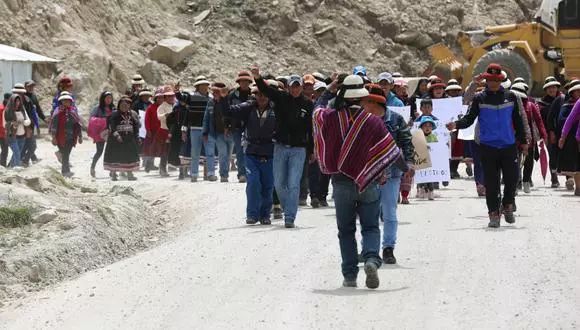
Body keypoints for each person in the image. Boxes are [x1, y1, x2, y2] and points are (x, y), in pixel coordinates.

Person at [313, 74, 404, 289]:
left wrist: (329, 91)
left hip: (341, 181)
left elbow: (316, 112)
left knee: (345, 230)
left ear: (342, 94)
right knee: (371, 226)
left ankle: (350, 275)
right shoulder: (373, 121)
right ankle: (371, 259)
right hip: (369, 181)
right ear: (362, 97)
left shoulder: (331, 118)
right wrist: (404, 168)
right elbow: (388, 150)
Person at [447, 63, 528, 228]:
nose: (492, 83)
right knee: (491, 183)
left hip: (508, 146)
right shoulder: (479, 98)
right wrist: (456, 125)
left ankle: (507, 204)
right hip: (488, 147)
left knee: (512, 180)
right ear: (486, 80)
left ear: (501, 80)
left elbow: (518, 121)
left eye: (496, 80)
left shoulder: (511, 97)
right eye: (489, 79)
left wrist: (524, 141)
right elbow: (469, 119)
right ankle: (493, 214)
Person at [252, 66, 314, 228]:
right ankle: (288, 208)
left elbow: (311, 128)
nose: (295, 89)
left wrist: (312, 150)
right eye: (292, 86)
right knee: (279, 183)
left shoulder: (308, 104)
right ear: (288, 87)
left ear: (302, 87)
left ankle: (290, 217)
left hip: (299, 149)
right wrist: (257, 77)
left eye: (298, 86)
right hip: (280, 147)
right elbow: (265, 89)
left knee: (293, 183)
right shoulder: (280, 97)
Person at [361, 84, 414, 264]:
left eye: (365, 101)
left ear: (374, 102)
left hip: (392, 174)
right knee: (369, 214)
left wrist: (409, 163)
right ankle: (368, 249)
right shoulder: (361, 121)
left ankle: (388, 248)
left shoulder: (397, 120)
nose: (362, 105)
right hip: (368, 175)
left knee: (390, 212)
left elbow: (407, 142)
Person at [221, 84, 277, 224]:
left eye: (264, 94)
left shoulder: (277, 109)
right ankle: (252, 215)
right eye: (259, 94)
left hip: (270, 153)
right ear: (255, 96)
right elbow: (228, 111)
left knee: (268, 185)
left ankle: (265, 215)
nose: (262, 97)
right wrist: (223, 98)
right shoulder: (248, 107)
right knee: (253, 183)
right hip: (251, 152)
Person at [511, 83, 547, 193]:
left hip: (528, 137)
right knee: (514, 161)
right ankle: (517, 182)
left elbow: (539, 120)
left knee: (528, 161)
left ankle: (526, 181)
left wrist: (543, 135)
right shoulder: (509, 105)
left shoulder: (531, 106)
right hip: (513, 138)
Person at [548, 79, 579, 191]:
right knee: (571, 159)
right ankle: (570, 179)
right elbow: (562, 120)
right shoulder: (563, 102)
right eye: (577, 90)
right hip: (570, 137)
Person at [103, 97, 141, 181]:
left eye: (127, 105)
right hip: (116, 140)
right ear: (119, 105)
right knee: (115, 156)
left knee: (129, 156)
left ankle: (130, 174)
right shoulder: (114, 114)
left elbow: (136, 126)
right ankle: (113, 174)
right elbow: (112, 127)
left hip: (129, 139)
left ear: (129, 106)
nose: (124, 107)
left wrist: (137, 137)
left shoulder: (132, 114)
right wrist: (117, 136)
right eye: (122, 105)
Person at [202, 82, 234, 182]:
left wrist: (229, 128)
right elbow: (206, 118)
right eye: (214, 91)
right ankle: (223, 175)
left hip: (231, 133)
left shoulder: (229, 101)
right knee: (223, 154)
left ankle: (225, 173)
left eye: (217, 91)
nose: (215, 93)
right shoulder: (211, 102)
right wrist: (205, 132)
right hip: (218, 133)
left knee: (228, 155)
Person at [227, 70, 254, 183]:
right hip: (236, 126)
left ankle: (250, 172)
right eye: (242, 81)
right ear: (239, 82)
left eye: (246, 81)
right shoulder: (232, 95)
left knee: (249, 150)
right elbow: (227, 111)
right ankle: (242, 173)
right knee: (239, 149)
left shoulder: (253, 94)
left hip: (251, 126)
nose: (244, 83)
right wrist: (227, 126)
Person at [538, 76, 563, 188]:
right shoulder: (541, 104)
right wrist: (545, 134)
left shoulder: (564, 99)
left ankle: (569, 177)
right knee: (552, 155)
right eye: (549, 88)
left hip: (563, 133)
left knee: (565, 154)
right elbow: (541, 121)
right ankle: (554, 178)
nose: (551, 90)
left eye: (553, 87)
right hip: (549, 134)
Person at [50, 93, 83, 177]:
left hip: (71, 137)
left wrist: (80, 136)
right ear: (61, 102)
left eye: (68, 101)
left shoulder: (72, 112)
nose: (67, 103)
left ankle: (63, 165)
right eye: (65, 101)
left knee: (66, 154)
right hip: (60, 137)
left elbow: (78, 124)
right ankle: (65, 171)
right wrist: (53, 137)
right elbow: (54, 125)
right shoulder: (58, 112)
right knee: (65, 155)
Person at [143, 87, 173, 177]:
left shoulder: (168, 106)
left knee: (164, 151)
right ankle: (148, 163)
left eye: (162, 97)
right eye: (158, 98)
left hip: (164, 132)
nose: (160, 99)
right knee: (153, 149)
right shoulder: (151, 108)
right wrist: (148, 130)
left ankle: (162, 168)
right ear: (155, 98)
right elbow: (147, 120)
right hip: (153, 132)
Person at [557, 83, 580, 195]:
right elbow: (569, 120)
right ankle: (579, 187)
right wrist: (563, 137)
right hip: (578, 138)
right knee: (577, 163)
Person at [88, 91, 115, 178]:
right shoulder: (98, 108)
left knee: (112, 151)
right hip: (100, 133)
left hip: (111, 132)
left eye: (110, 98)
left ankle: (112, 170)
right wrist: (103, 121)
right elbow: (92, 119)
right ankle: (92, 167)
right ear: (103, 99)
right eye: (107, 98)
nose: (109, 100)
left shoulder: (114, 108)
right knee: (99, 151)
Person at [22, 80, 46, 166]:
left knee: (28, 142)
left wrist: (44, 118)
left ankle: (31, 159)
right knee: (30, 144)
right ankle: (24, 160)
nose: (31, 88)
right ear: (25, 87)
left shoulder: (34, 96)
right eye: (29, 86)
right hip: (25, 123)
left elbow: (38, 109)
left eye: (32, 86)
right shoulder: (23, 97)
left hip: (32, 123)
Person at [3, 93, 30, 168]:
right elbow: (4, 124)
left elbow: (28, 121)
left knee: (16, 153)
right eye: (16, 101)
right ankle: (16, 169)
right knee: (17, 153)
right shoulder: (7, 111)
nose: (17, 103)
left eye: (18, 101)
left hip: (22, 135)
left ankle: (11, 167)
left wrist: (23, 122)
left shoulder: (22, 110)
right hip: (12, 135)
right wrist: (12, 123)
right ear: (12, 101)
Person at [417, 116, 439, 200]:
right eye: (425, 126)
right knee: (422, 176)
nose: (427, 128)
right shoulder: (419, 136)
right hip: (422, 160)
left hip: (431, 161)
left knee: (430, 177)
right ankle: (421, 189)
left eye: (429, 126)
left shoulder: (434, 137)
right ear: (421, 127)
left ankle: (431, 191)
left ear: (432, 127)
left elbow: (437, 148)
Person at [0, 93, 9, 167]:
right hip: (2, 133)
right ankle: (3, 165)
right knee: (5, 150)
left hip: (2, 132)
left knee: (4, 150)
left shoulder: (1, 107)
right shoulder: (3, 109)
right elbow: (2, 123)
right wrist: (5, 133)